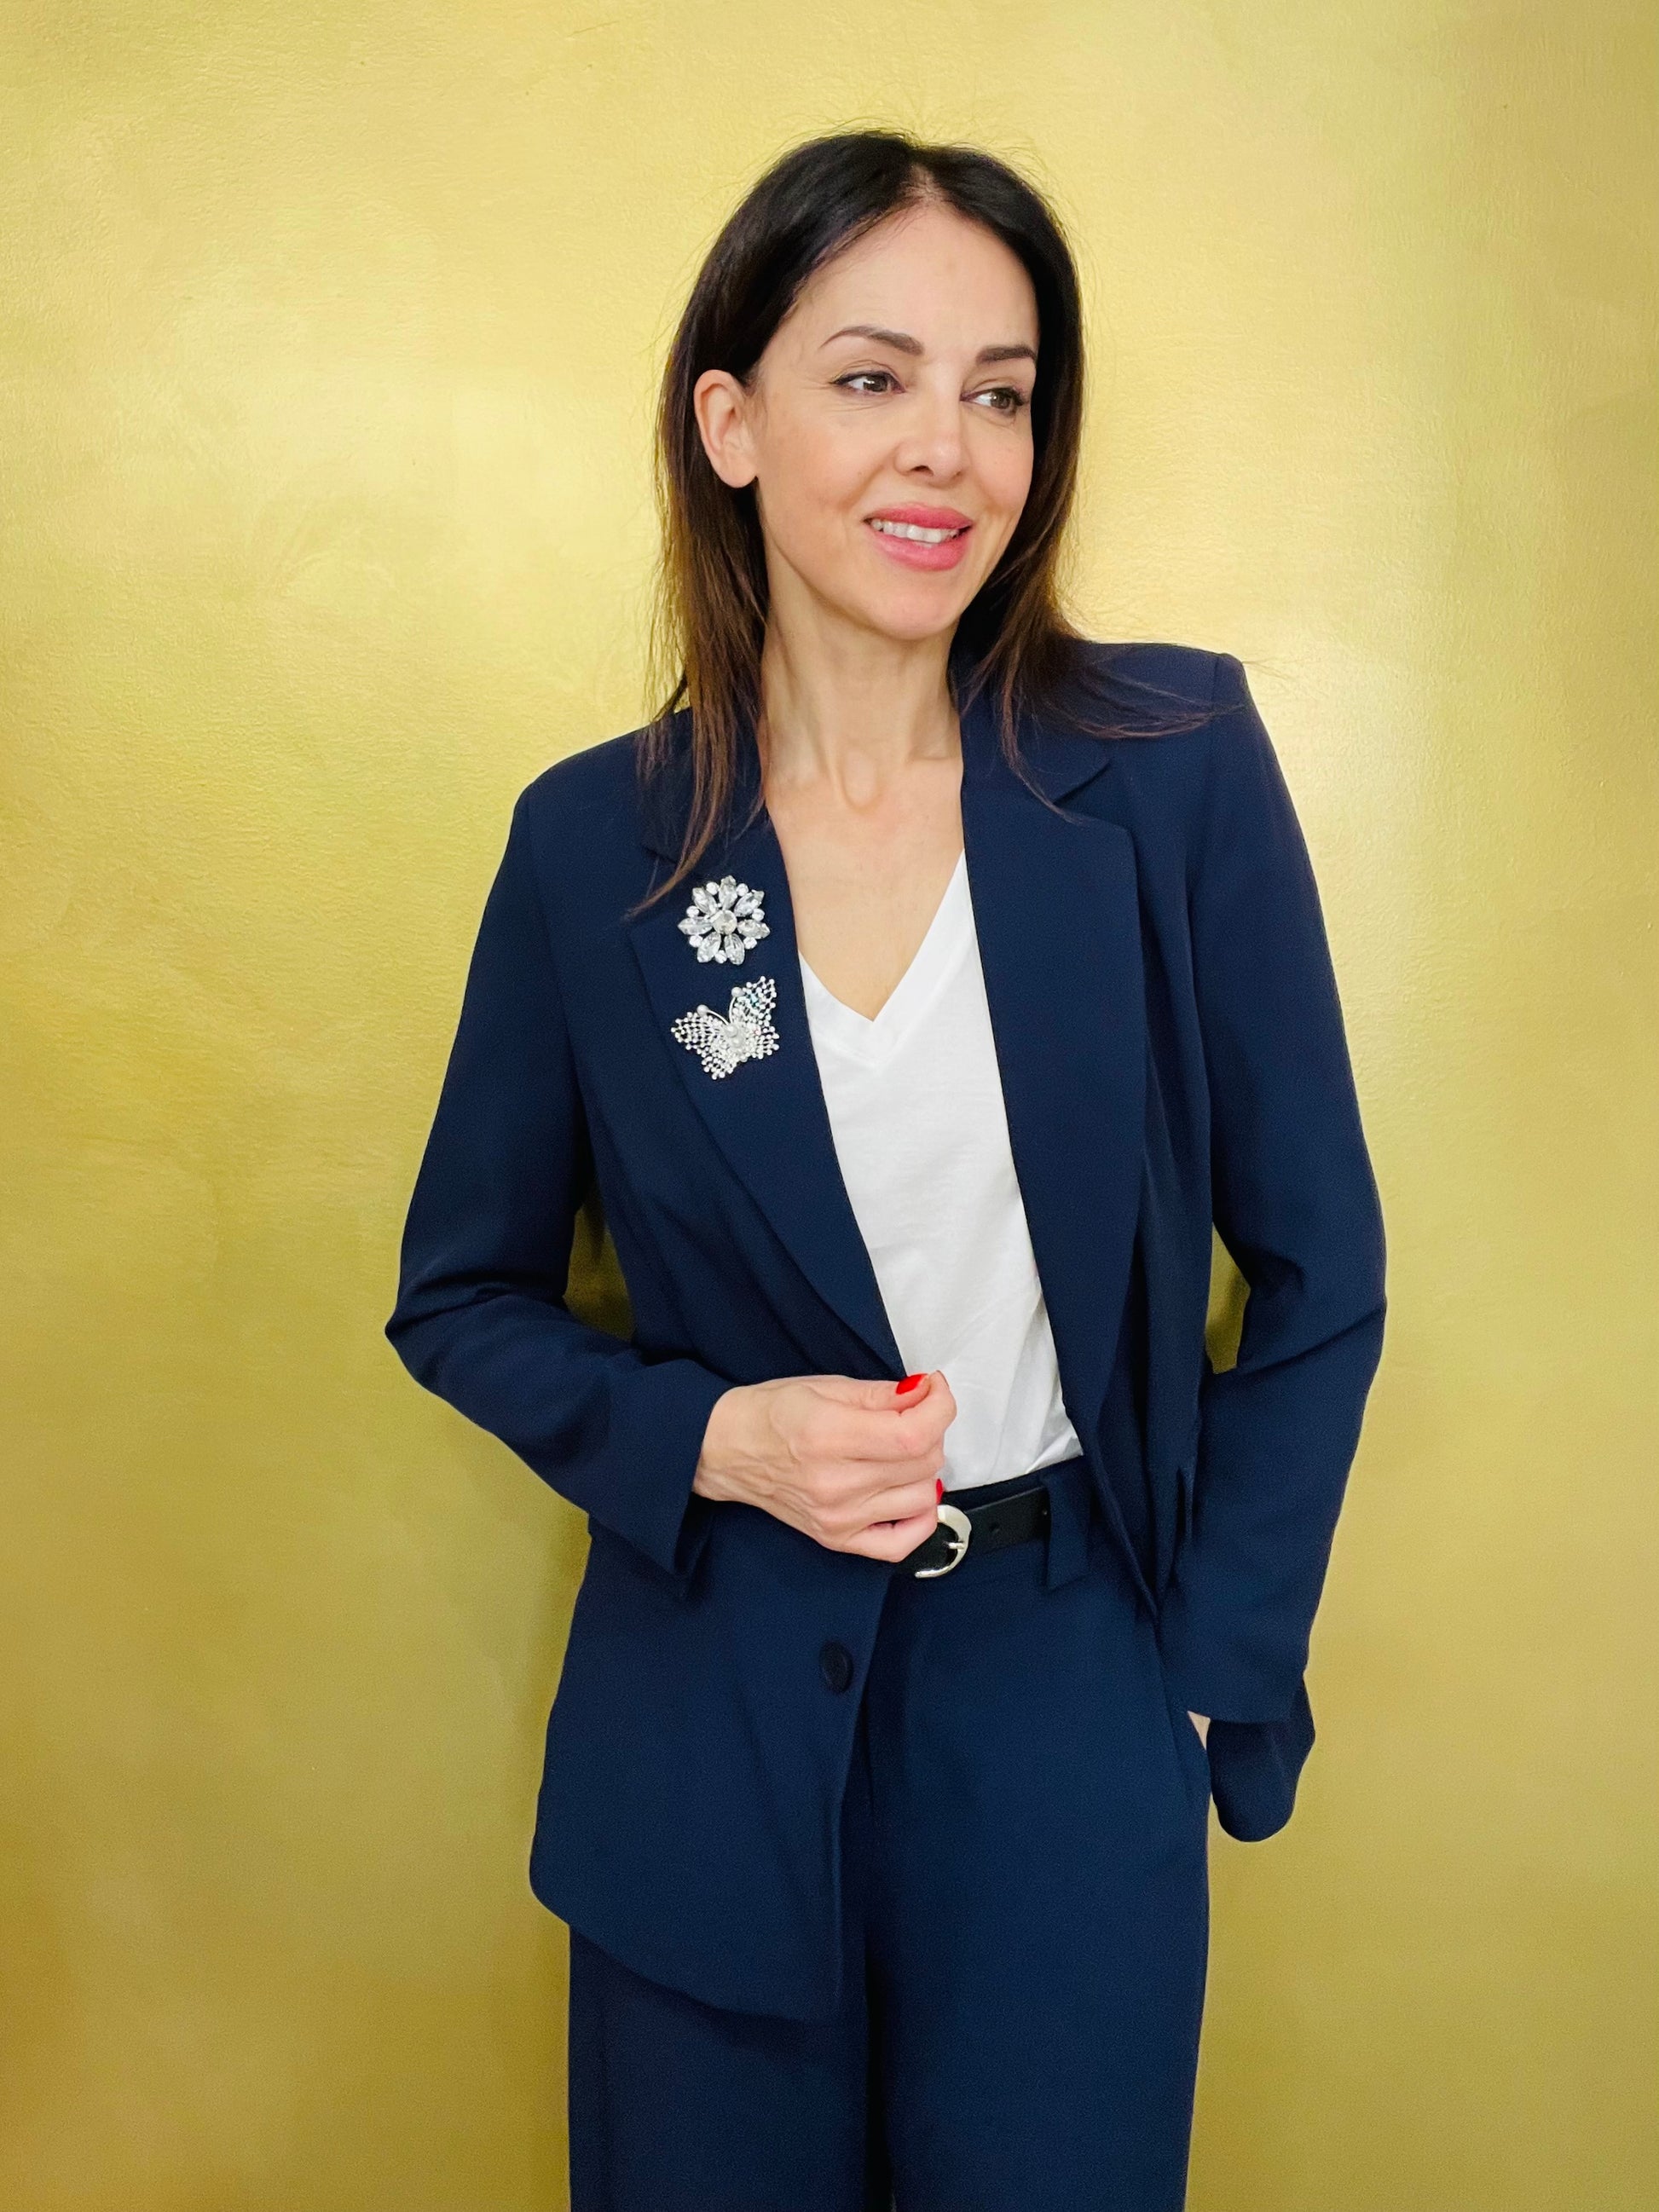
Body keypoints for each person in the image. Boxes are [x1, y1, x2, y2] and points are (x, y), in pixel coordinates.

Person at [384, 128, 1387, 2212]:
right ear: (730, 423)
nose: (949, 447)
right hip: (709, 1730)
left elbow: (1317, 1263)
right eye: (871, 377)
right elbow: (460, 1293)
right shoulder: (593, 845)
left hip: (1068, 1702)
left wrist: (1209, 1671)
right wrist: (714, 1436)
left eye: (999, 393)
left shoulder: (1170, 771)